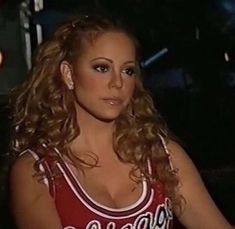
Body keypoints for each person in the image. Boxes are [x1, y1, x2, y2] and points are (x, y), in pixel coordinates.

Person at [9, 14, 233, 229]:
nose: (117, 83)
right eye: (102, 68)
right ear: (68, 74)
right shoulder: (37, 171)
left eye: (127, 71)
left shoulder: (162, 156)